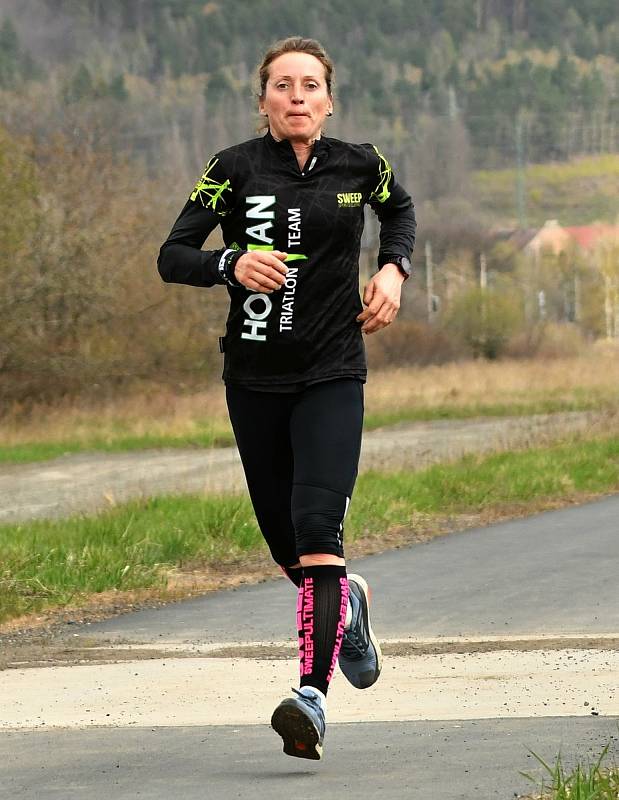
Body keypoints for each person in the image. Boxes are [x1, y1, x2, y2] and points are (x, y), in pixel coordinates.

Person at [157, 36, 416, 760]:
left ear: (328, 99)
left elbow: (399, 212)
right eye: (282, 85)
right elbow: (172, 255)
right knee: (289, 554)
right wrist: (229, 263)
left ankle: (310, 697)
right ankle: (350, 609)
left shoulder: (361, 164)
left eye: (309, 84)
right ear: (263, 99)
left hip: (334, 372)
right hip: (253, 381)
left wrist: (393, 270)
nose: (296, 95)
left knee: (316, 533)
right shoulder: (231, 170)